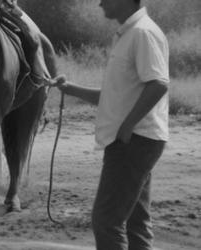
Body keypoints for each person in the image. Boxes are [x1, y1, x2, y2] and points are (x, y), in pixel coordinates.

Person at [51, 0, 169, 249]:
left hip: (133, 141)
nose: (100, 2)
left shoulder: (142, 33)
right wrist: (70, 88)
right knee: (136, 221)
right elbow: (114, 95)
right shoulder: (130, 34)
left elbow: (158, 84)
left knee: (106, 220)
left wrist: (127, 128)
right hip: (137, 141)